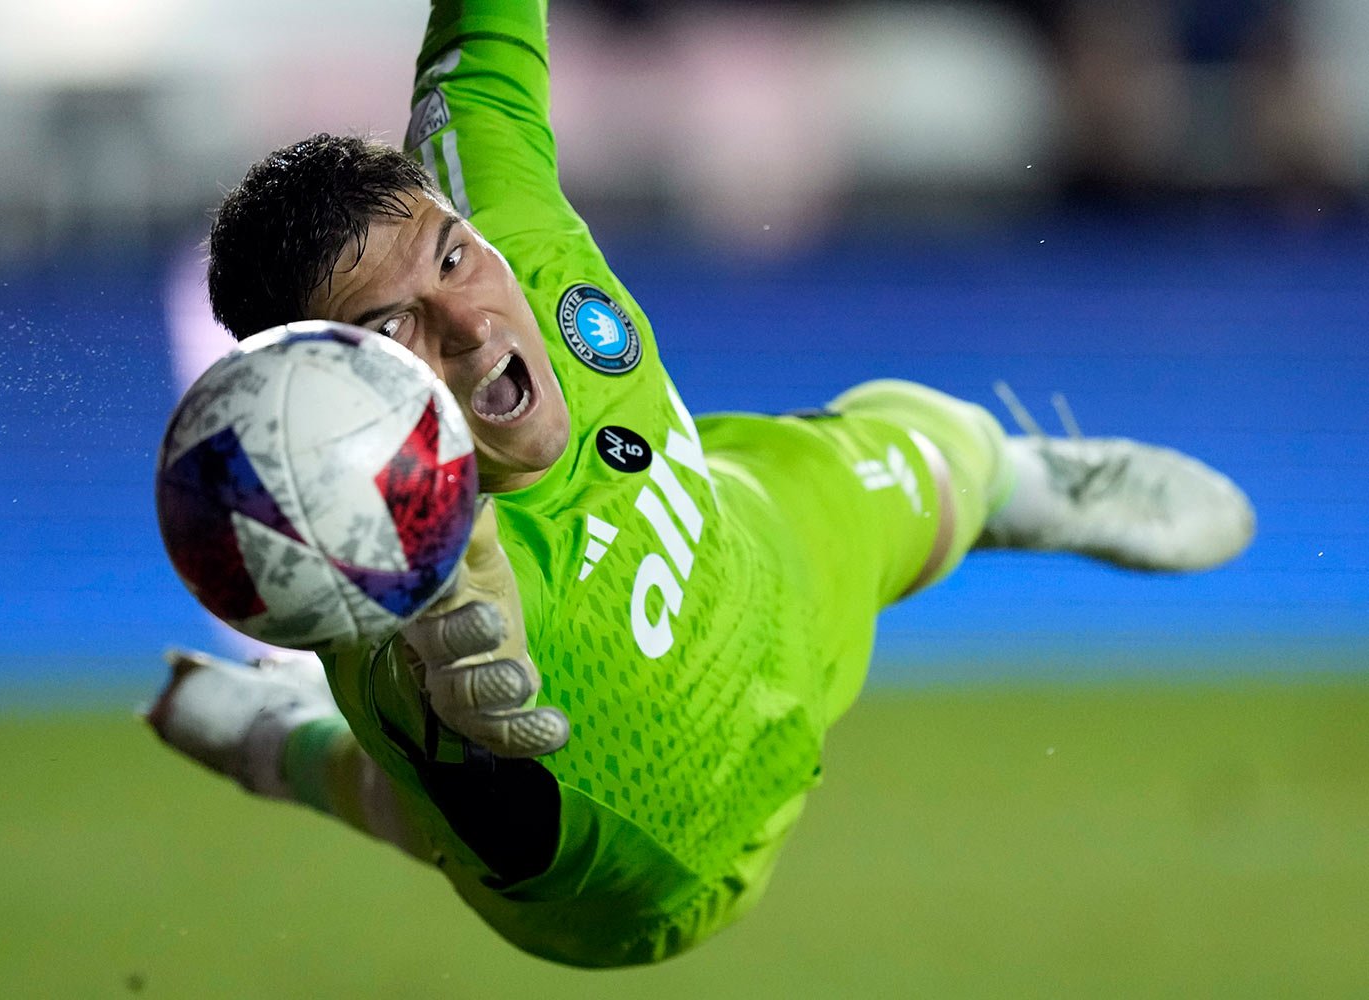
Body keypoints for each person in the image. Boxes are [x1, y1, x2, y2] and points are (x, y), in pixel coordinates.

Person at [148, 0, 1255, 968]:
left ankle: (1032, 482)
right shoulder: (408, 595)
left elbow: (485, 36)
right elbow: (463, 688)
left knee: (932, 438)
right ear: (330, 384)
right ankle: (283, 745)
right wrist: (442, 646)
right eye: (393, 331)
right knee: (429, 808)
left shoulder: (500, 208)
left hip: (762, 558)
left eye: (451, 257)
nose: (471, 323)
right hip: (650, 885)